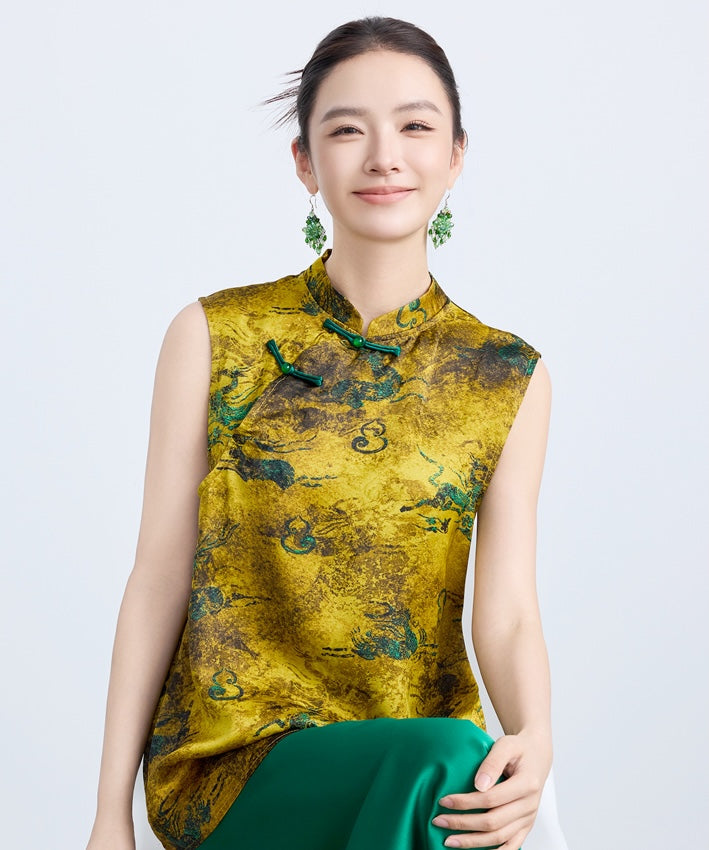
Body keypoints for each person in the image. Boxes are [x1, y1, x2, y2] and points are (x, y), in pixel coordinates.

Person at [86, 16, 553, 850]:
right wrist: (106, 816)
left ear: (455, 156)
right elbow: (158, 575)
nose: (383, 156)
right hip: (233, 763)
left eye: (415, 127)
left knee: (467, 773)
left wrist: (536, 739)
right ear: (304, 161)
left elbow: (508, 610)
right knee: (447, 761)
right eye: (346, 131)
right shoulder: (216, 336)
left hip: (419, 759)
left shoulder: (503, 373)